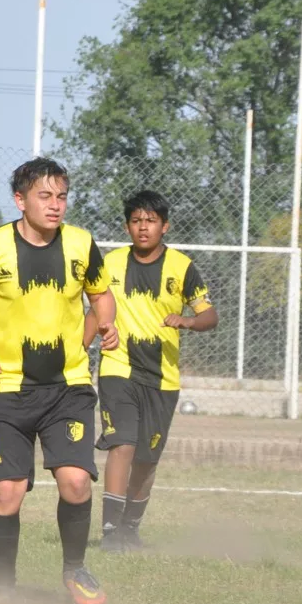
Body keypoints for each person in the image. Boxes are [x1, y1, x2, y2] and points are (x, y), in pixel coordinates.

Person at [0, 157, 118, 604]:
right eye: (45, 196)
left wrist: (105, 325)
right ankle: (3, 588)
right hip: (8, 388)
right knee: (7, 492)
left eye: (61, 196)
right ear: (21, 200)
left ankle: (75, 571)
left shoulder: (81, 243)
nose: (55, 205)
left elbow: (101, 296)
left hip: (69, 387)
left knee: (77, 481)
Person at [87, 190, 217, 554]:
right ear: (128, 226)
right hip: (118, 368)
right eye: (136, 221)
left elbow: (210, 315)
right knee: (122, 444)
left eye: (150, 221)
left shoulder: (182, 267)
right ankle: (111, 532)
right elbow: (95, 310)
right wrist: (80, 350)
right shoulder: (110, 263)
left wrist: (189, 321)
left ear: (165, 226)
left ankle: (131, 529)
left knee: (146, 460)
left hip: (162, 378)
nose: (143, 228)